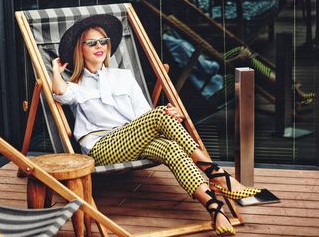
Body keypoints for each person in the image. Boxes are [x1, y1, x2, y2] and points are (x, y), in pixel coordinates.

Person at [51, 14, 260, 236]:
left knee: (170, 146)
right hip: (102, 147)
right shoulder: (75, 84)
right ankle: (217, 174)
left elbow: (145, 115)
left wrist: (171, 117)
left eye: (103, 41)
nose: (99, 46)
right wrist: (55, 71)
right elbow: (59, 94)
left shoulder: (123, 76)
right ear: (79, 49)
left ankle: (214, 208)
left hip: (134, 139)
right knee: (161, 114)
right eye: (91, 43)